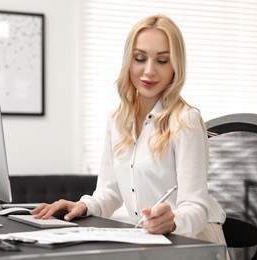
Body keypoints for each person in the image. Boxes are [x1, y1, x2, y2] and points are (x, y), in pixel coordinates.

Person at [31, 14, 227, 246]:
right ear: (129, 61)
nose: (149, 71)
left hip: (194, 239)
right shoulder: (118, 119)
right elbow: (109, 193)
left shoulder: (186, 120)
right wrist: (83, 206)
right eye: (140, 58)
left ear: (176, 66)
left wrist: (172, 221)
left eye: (162, 61)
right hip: (149, 238)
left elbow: (197, 207)